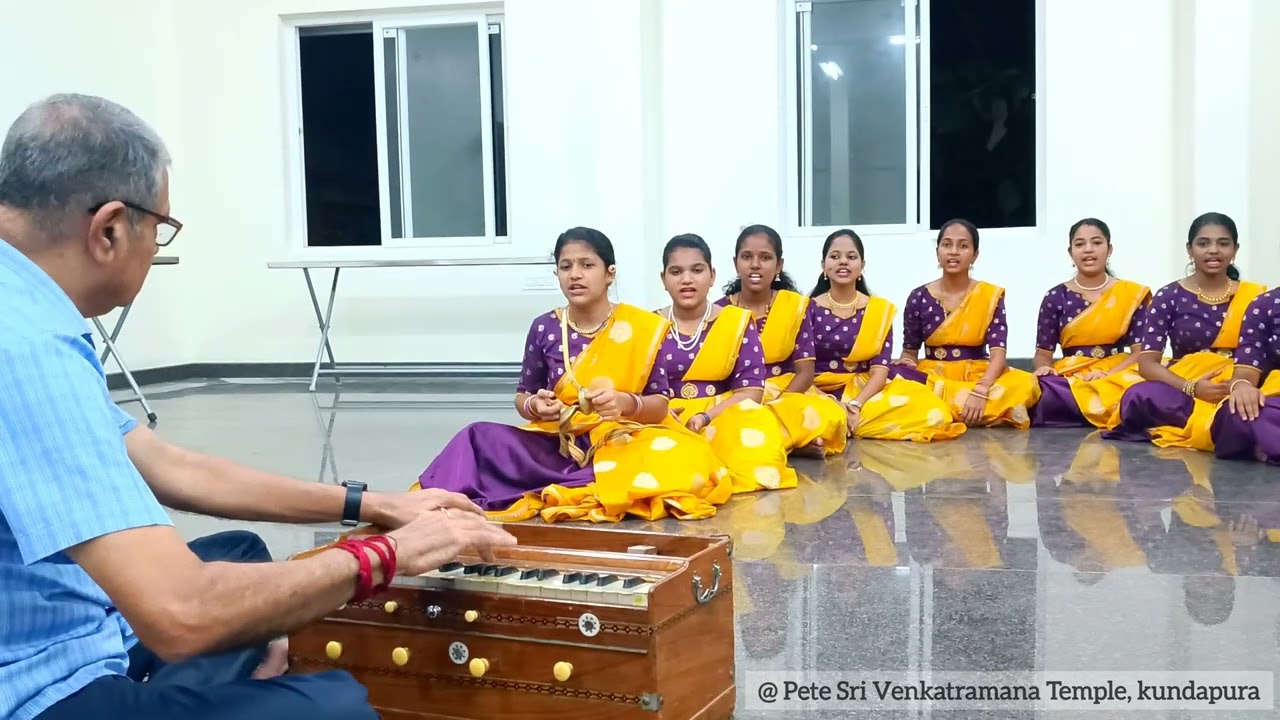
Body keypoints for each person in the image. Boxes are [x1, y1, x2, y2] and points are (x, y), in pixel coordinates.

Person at [0, 94, 517, 720]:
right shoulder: (29, 347)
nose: (157, 251)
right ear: (109, 229)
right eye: (159, 228)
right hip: (39, 687)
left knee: (240, 553)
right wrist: (387, 554)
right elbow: (180, 615)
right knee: (338, 705)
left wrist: (368, 503)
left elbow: (168, 466)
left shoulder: (23, 305)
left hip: (76, 612)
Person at [416, 227, 732, 523]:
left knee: (685, 454)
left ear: (610, 274)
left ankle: (585, 483)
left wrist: (625, 403)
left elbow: (660, 405)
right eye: (565, 266)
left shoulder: (643, 328)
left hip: (625, 439)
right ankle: (586, 482)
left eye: (586, 265)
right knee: (477, 437)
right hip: (557, 440)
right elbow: (524, 393)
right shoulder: (545, 327)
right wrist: (535, 407)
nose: (575, 275)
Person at [1104, 213, 1268, 450]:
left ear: (1235, 249)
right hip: (1186, 388)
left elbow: (1263, 355)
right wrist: (1192, 387)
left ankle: (1225, 420)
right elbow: (1147, 364)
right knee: (1137, 396)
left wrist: (1238, 385)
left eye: (1223, 243)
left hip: (1241, 383)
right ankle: (1227, 426)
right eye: (1203, 243)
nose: (1213, 250)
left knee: (1254, 401)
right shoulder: (1169, 296)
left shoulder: (1256, 297)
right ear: (1190, 249)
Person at [653, 233, 796, 493]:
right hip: (666, 418)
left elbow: (752, 391)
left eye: (697, 270)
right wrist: (660, 414)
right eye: (676, 271)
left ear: (712, 276)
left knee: (758, 442)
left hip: (722, 415)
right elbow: (636, 390)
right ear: (664, 279)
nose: (687, 279)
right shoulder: (649, 326)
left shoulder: (737, 321)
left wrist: (706, 416)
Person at [807, 229, 966, 442]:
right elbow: (801, 369)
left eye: (851, 257)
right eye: (835, 257)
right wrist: (829, 401)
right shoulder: (807, 309)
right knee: (799, 409)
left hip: (867, 393)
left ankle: (840, 423)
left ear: (862, 266)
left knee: (933, 411)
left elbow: (880, 371)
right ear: (824, 265)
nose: (843, 262)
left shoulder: (878, 311)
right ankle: (835, 419)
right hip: (820, 392)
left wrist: (855, 405)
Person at [893, 219, 1042, 428]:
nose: (953, 252)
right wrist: (906, 365)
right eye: (947, 245)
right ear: (937, 251)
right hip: (934, 376)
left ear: (975, 255)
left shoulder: (990, 296)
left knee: (1026, 384)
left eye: (963, 246)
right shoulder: (919, 296)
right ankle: (980, 412)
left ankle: (945, 412)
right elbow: (909, 352)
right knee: (896, 379)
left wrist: (981, 389)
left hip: (978, 376)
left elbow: (998, 354)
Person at [716, 224, 846, 457]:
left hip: (788, 393)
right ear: (736, 263)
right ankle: (795, 443)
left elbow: (805, 373)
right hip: (741, 394)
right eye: (747, 257)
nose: (755, 265)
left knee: (829, 413)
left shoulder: (794, 307)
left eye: (765, 258)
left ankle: (780, 438)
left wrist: (777, 405)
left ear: (779, 265)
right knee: (729, 418)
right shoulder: (720, 311)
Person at [1029, 218, 1152, 428]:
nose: (1088, 250)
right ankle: (1106, 411)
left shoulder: (1131, 295)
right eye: (1080, 244)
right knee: (1037, 389)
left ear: (1109, 248)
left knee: (1143, 388)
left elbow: (1140, 353)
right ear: (1070, 252)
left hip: (1117, 371)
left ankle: (1089, 408)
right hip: (1071, 374)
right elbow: (1043, 355)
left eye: (1096, 243)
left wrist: (1106, 374)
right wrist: (1044, 369)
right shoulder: (1055, 297)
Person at [1208, 286, 1280, 464]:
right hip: (1276, 397)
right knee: (1239, 413)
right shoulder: (1266, 304)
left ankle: (1265, 443)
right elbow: (1247, 367)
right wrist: (1242, 386)